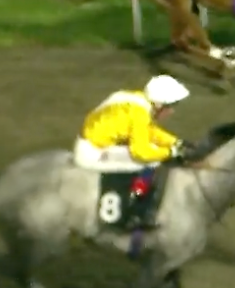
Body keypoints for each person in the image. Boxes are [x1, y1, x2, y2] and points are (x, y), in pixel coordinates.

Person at [74, 75, 194, 227]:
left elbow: (148, 131)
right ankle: (135, 212)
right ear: (158, 104)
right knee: (152, 162)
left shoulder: (137, 101)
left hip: (93, 143)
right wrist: (171, 152)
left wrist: (175, 142)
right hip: (92, 153)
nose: (172, 111)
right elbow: (141, 152)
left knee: (155, 153)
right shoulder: (140, 113)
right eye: (170, 106)